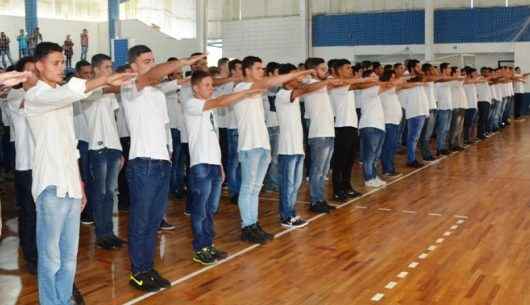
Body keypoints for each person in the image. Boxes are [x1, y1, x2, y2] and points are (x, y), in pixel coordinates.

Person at [24, 41, 133, 305]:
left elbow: (71, 149)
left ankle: (63, 299)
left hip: (70, 186)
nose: (62, 68)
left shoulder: (61, 96)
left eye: (63, 62)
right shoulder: (36, 96)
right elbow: (72, 92)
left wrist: (80, 186)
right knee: (50, 257)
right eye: (56, 63)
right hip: (50, 186)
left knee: (69, 256)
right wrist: (103, 79)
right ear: (39, 66)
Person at [120, 45, 205, 291]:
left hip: (161, 162)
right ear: (133, 66)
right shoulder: (130, 87)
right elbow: (153, 75)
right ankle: (138, 271)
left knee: (154, 221)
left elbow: (164, 127)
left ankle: (148, 268)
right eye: (146, 61)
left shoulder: (156, 93)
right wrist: (186, 59)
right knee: (141, 221)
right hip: (143, 163)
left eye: (152, 60)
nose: (151, 64)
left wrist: (168, 155)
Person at [184, 70, 262, 265]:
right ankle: (200, 248)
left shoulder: (209, 109)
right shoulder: (192, 104)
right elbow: (220, 101)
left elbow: (212, 137)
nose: (211, 89)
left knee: (210, 209)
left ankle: (208, 245)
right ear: (195, 88)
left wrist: (220, 164)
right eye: (207, 85)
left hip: (213, 163)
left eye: (212, 85)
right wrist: (244, 93)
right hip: (200, 163)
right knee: (200, 210)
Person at [233, 56, 312, 244]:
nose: (262, 71)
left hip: (261, 145)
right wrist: (297, 73)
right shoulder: (242, 88)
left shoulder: (257, 91)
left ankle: (253, 224)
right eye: (258, 68)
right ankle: (247, 226)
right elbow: (269, 81)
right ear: (247, 71)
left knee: (255, 189)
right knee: (248, 187)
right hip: (249, 145)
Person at [82, 53, 127, 249]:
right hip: (97, 146)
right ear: (97, 69)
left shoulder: (109, 94)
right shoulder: (87, 90)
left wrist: (120, 149)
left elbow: (113, 121)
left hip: (113, 146)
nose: (110, 70)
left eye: (111, 66)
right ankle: (101, 234)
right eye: (107, 67)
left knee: (110, 192)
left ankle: (109, 233)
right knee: (99, 192)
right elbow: (112, 87)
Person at [73, 60, 94, 225]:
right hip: (78, 141)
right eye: (85, 73)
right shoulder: (73, 90)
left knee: (91, 177)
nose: (88, 76)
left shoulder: (92, 89)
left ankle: (90, 210)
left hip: (91, 139)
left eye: (90, 73)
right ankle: (84, 212)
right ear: (77, 74)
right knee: (83, 178)